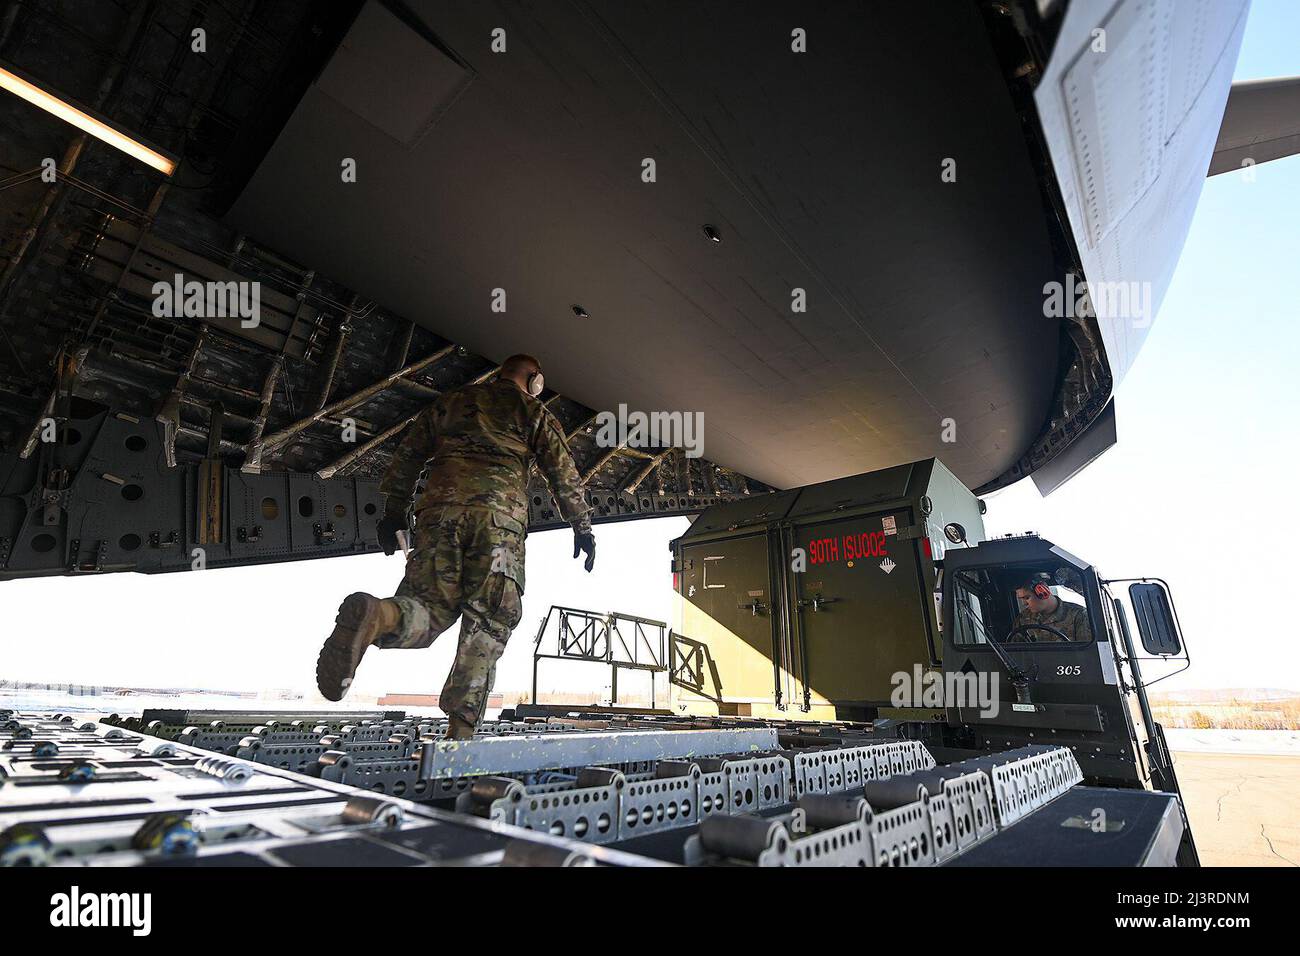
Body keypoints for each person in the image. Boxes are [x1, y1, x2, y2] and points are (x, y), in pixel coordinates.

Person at [315, 354, 595, 739]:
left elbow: (409, 454)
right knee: (490, 619)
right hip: (497, 525)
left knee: (428, 609)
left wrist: (394, 513)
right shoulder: (532, 411)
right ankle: (459, 734)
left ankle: (379, 615)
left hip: (438, 518)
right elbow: (561, 473)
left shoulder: (451, 402)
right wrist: (582, 526)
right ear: (534, 381)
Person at [1009, 573, 1092, 642]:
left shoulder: (1079, 615)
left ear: (1043, 592)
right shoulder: (1023, 618)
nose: (1024, 604)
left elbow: (1087, 654)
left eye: (1027, 598)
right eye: (1021, 599)